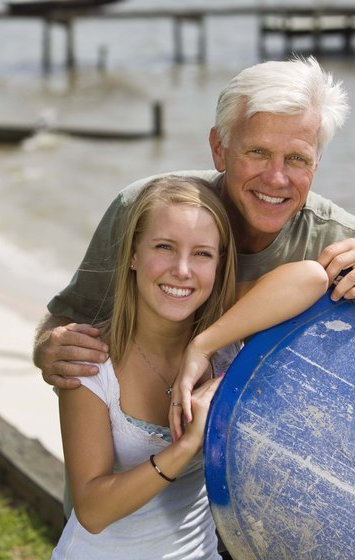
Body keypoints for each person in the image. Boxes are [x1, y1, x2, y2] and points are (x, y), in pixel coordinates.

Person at [33, 56, 355, 439]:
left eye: (297, 159)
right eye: (258, 152)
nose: (276, 178)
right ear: (219, 148)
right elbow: (69, 318)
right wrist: (47, 350)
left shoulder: (339, 243)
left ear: (317, 164)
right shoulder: (144, 211)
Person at [52, 175, 328, 559]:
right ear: (133, 254)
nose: (182, 270)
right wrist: (188, 444)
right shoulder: (91, 361)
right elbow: (93, 510)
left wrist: (201, 347)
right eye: (164, 247)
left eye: (202, 254)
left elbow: (311, 278)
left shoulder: (223, 338)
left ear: (218, 265)